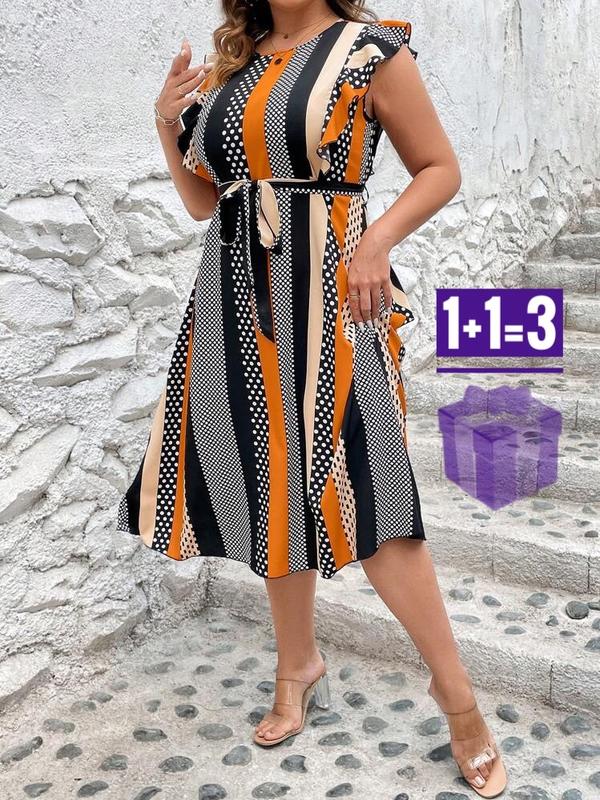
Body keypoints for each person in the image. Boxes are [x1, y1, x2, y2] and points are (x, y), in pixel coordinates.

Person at [117, 1, 507, 796]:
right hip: (234, 301)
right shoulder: (240, 60)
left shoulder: (369, 50)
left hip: (335, 298)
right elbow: (205, 201)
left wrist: (376, 241)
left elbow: (440, 168)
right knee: (270, 489)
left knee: (375, 495)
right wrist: (166, 121)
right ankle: (297, 664)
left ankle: (458, 697)